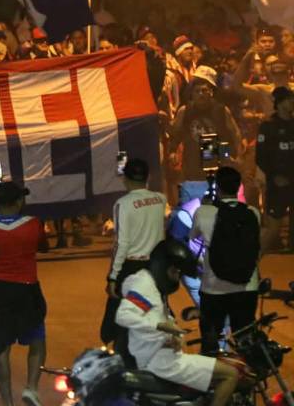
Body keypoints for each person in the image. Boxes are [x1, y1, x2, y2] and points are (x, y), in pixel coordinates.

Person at [116, 239, 240, 406]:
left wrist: (172, 333)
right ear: (162, 266)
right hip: (160, 361)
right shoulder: (143, 286)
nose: (177, 277)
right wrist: (160, 327)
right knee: (230, 374)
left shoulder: (152, 286)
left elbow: (155, 315)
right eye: (175, 271)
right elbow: (123, 315)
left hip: (161, 354)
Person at [0, 179, 47, 406]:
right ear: (19, 201)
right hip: (27, 289)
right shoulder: (33, 223)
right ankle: (31, 387)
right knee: (37, 340)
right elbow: (42, 245)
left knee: (0, 349)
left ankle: (7, 402)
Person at [192, 165, 267, 357]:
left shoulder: (204, 212)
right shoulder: (253, 213)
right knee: (245, 339)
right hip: (247, 286)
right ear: (239, 187)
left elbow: (193, 237)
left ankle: (216, 380)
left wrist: (206, 205)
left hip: (214, 288)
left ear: (217, 187)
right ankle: (249, 380)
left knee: (211, 340)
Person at [100, 158, 166, 356]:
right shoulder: (160, 199)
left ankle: (125, 360)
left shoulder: (123, 204)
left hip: (131, 268)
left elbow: (122, 243)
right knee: (152, 314)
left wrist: (113, 276)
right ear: (148, 177)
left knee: (122, 319)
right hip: (156, 268)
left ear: (125, 178)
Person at [256, 86, 294, 248]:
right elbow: (261, 157)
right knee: (273, 230)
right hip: (277, 186)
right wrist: (273, 177)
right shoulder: (268, 127)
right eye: (288, 99)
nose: (292, 102)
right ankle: (251, 264)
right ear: (279, 103)